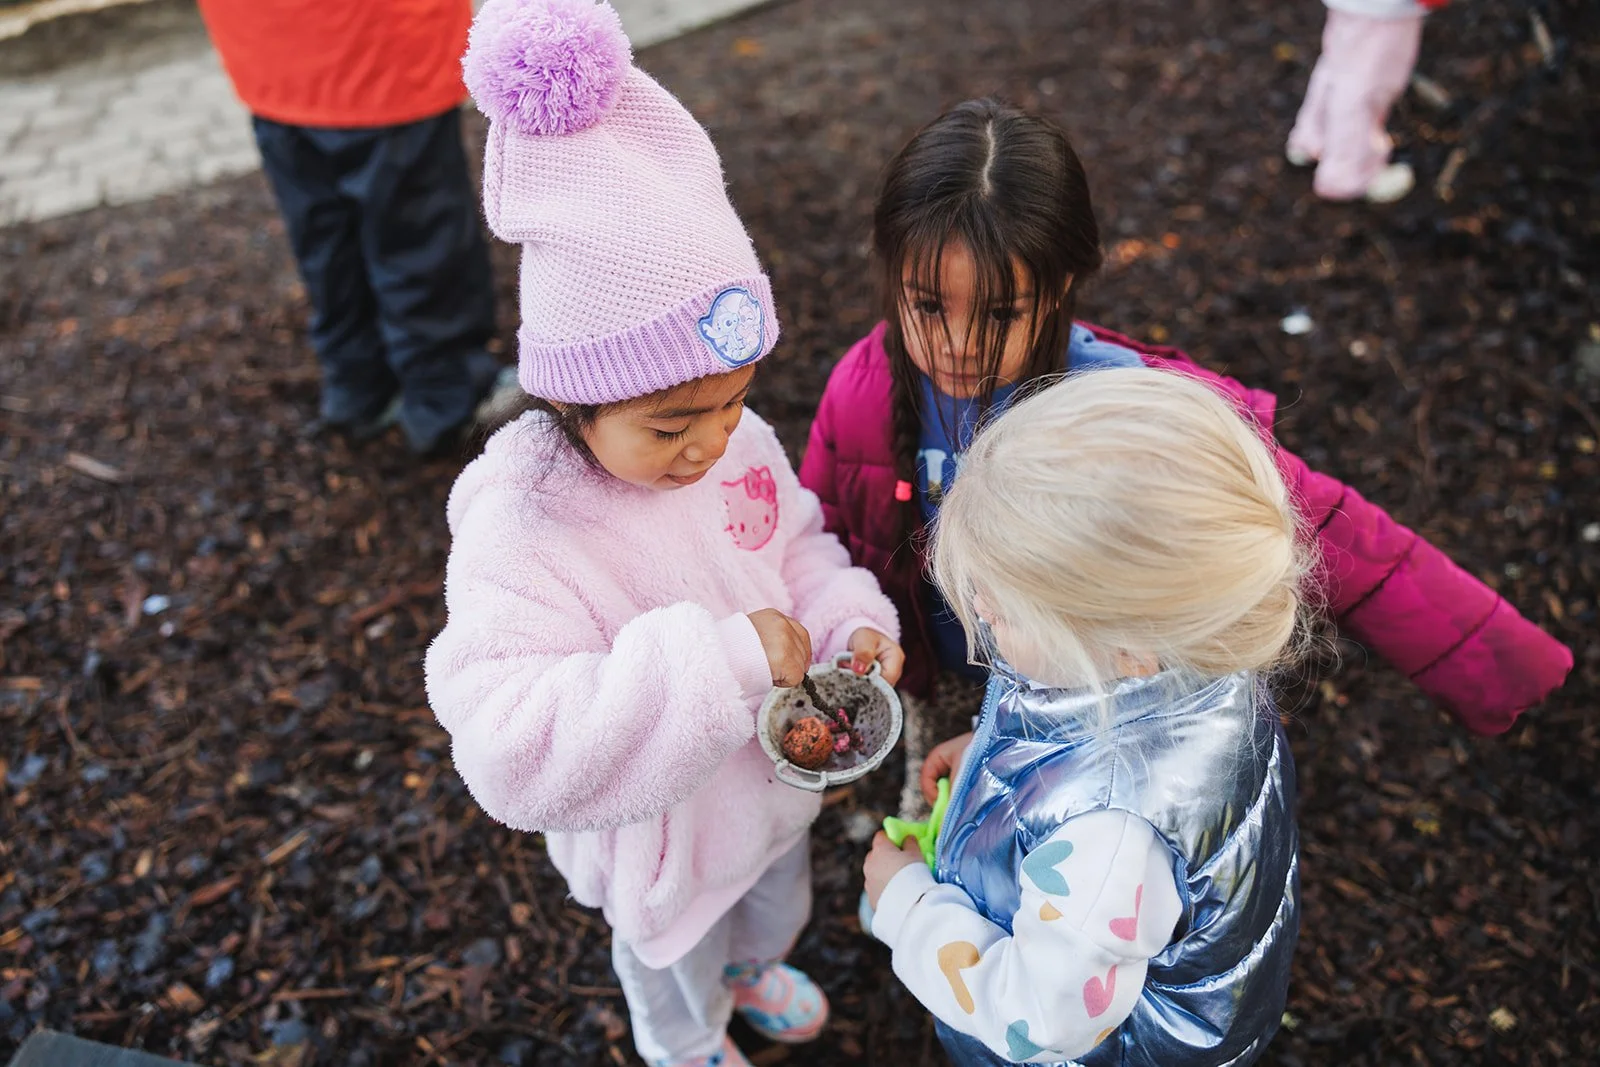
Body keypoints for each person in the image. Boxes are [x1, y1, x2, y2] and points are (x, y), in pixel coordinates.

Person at [797, 98, 1571, 819]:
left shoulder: (1125, 409)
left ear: (1062, 284)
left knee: (1066, 851)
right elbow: (816, 538)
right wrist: (831, 648)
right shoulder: (863, 392)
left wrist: (1494, 655)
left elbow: (1327, 528)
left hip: (1091, 697)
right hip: (937, 673)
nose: (959, 345)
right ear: (892, 273)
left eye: (1001, 313)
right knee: (939, 804)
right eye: (929, 306)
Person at [423, 3, 903, 1066]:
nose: (713, 445)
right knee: (678, 968)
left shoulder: (738, 443)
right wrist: (725, 659)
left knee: (769, 903)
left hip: (774, 794)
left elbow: (797, 547)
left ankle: (750, 970)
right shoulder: (529, 527)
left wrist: (844, 622)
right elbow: (505, 740)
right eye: (670, 424)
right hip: (663, 850)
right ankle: (688, 1043)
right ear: (573, 402)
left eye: (734, 400)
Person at [861, 367, 1312, 1066]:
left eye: (1003, 609)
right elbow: (1067, 722)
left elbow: (1037, 1017)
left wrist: (908, 906)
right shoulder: (1187, 639)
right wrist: (992, 748)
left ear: (1122, 643)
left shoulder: (1113, 846)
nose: (980, 609)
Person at [195, 0, 518, 456]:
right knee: (419, 240)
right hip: (378, 45)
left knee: (324, 238)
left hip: (266, 47)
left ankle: (359, 386)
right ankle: (449, 397)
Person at [1285, 0, 1451, 203]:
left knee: (1338, 65)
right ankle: (1349, 172)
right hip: (1384, 12)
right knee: (1368, 86)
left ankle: (1311, 139)